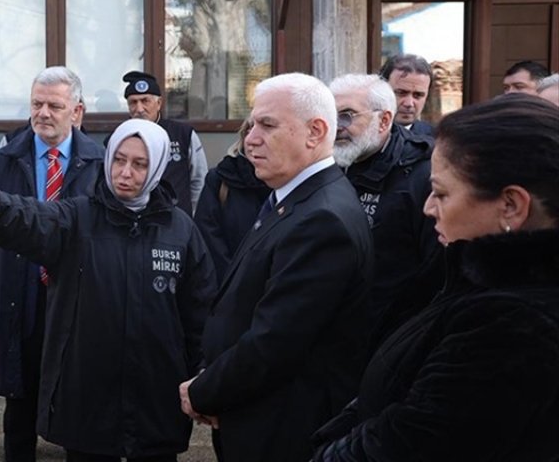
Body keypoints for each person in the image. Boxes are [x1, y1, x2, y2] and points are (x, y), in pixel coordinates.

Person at [0, 119, 215, 462]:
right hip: (88, 401)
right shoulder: (78, 218)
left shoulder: (181, 230)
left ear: (158, 166)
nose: (125, 172)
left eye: (139, 164)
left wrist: (203, 376)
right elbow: (29, 216)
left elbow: (200, 313)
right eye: (119, 159)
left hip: (155, 401)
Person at [312, 95, 559, 461]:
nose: (428, 207)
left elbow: (406, 444)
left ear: (511, 205)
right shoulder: (468, 271)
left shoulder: (514, 325)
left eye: (441, 193)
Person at [179, 73, 373, 462]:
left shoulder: (323, 219)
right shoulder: (293, 199)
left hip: (282, 428)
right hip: (252, 410)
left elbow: (275, 342)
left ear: (315, 132)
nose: (250, 139)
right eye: (252, 125)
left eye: (267, 125)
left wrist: (204, 391)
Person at [0, 67, 104, 462]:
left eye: (54, 105)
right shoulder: (5, 160)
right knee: (18, 401)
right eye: (36, 104)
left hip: (75, 297)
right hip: (17, 293)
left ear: (77, 112)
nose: (43, 113)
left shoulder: (100, 163)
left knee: (77, 396)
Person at [329, 74, 440, 343]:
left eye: (347, 116)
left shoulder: (423, 176)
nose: (337, 127)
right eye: (331, 117)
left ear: (384, 121)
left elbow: (434, 273)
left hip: (391, 336)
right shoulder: (329, 163)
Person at [121, 71, 206, 215]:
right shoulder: (119, 138)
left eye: (145, 101)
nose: (139, 109)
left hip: (177, 221)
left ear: (159, 103)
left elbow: (199, 180)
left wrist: (193, 217)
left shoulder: (183, 134)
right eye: (133, 102)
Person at [193, 119, 271, 276]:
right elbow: (207, 236)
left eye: (263, 131)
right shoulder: (221, 178)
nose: (252, 139)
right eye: (248, 131)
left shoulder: (285, 181)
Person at [377, 54, 435, 137]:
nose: (409, 104)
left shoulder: (437, 142)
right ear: (381, 90)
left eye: (418, 95)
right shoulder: (360, 134)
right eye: (401, 93)